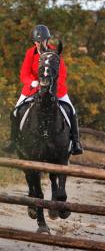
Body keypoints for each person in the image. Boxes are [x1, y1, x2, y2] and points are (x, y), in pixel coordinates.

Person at [4, 24, 83, 155]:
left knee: (71, 110)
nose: (39, 44)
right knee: (15, 111)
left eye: (41, 41)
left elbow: (62, 74)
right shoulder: (30, 53)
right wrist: (33, 82)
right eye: (36, 41)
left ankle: (75, 142)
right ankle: (13, 140)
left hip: (55, 89)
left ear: (47, 40)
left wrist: (52, 85)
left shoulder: (54, 53)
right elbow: (24, 74)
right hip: (33, 89)